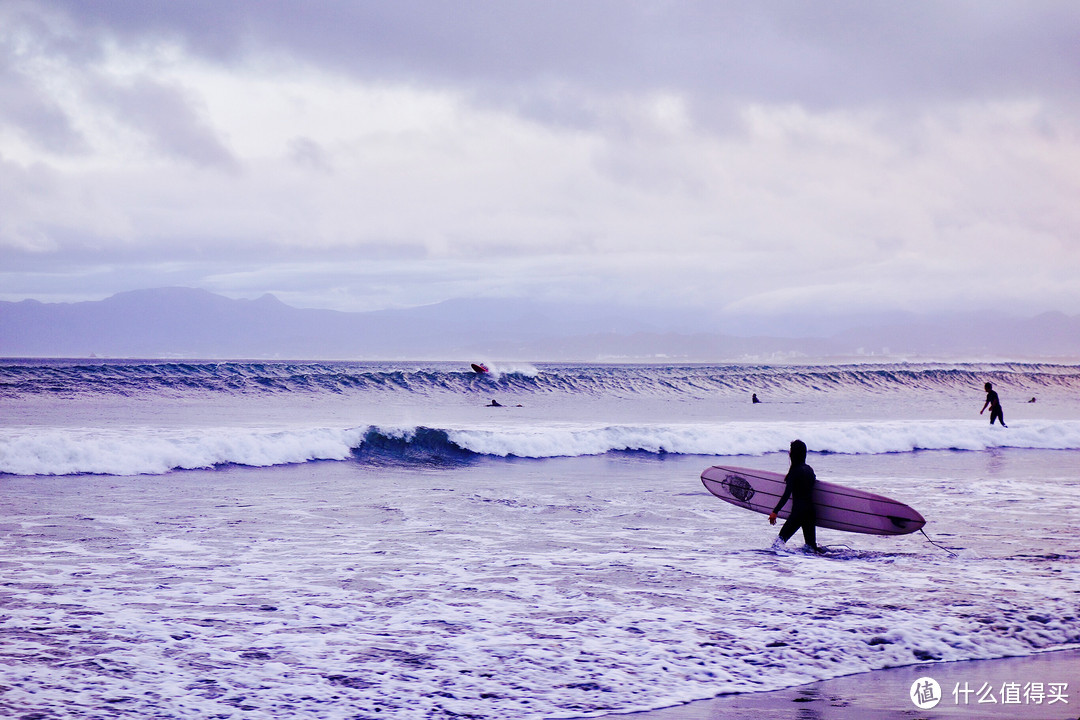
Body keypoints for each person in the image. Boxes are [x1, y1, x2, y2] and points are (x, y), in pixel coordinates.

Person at [768, 439, 821, 553]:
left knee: (777, 545)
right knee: (812, 548)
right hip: (810, 512)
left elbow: (787, 494)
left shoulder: (795, 471)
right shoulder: (809, 469)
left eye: (790, 450)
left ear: (793, 454)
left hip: (798, 513)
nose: (789, 453)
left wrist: (775, 512)